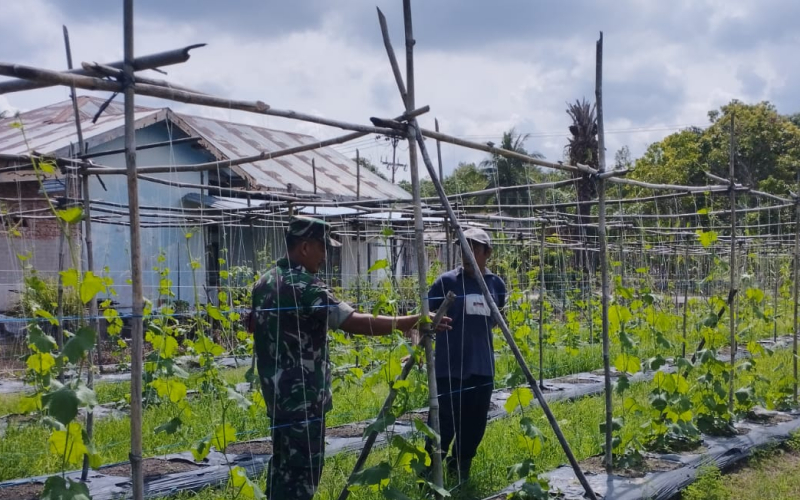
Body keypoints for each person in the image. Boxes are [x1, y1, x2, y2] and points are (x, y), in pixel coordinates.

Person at [251, 216, 450, 500]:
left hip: (276, 395)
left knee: (282, 468)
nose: (325, 255)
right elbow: (355, 322)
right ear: (305, 247)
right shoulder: (305, 286)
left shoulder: (264, 281)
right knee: (302, 475)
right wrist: (412, 321)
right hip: (304, 398)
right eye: (322, 247)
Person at [426, 227, 506, 483]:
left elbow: (496, 318)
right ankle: (429, 474)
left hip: (482, 366)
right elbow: (422, 318)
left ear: (487, 252)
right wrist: (418, 346)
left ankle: (460, 467)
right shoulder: (446, 282)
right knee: (442, 424)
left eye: (474, 248)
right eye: (464, 247)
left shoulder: (495, 284)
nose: (467, 253)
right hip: (450, 367)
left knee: (474, 425)